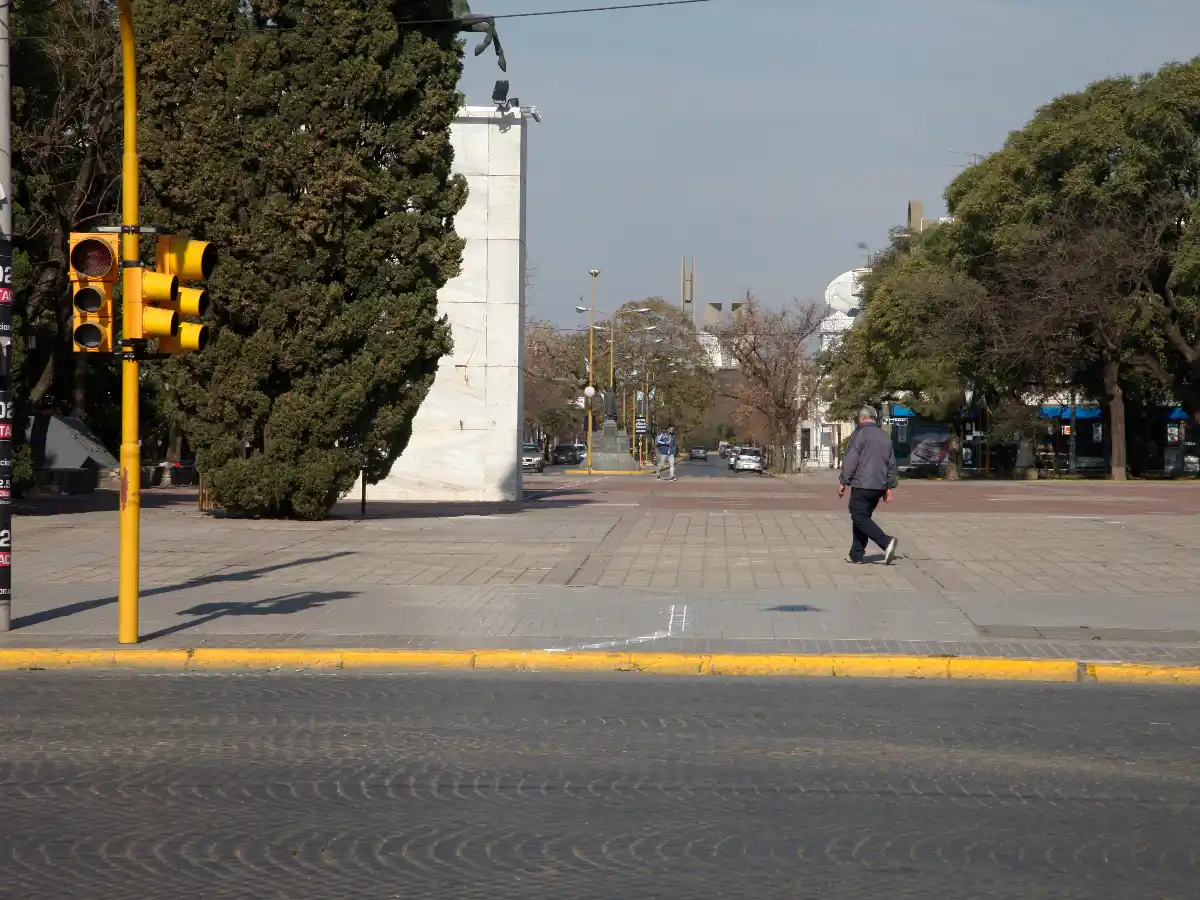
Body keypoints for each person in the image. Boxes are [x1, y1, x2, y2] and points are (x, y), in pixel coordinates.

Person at [838, 406, 899, 564]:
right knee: (862, 518)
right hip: (879, 485)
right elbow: (891, 463)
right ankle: (856, 555)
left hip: (862, 483)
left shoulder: (859, 434)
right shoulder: (885, 436)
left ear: (863, 418)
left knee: (858, 516)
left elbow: (851, 458)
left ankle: (886, 542)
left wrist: (844, 481)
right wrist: (889, 487)